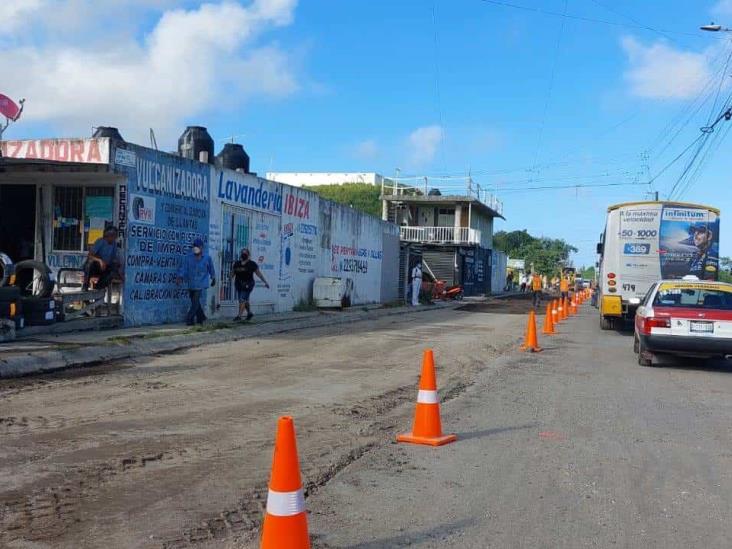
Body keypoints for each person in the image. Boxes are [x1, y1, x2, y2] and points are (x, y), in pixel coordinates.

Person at [177, 238, 216, 326]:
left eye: (197, 246)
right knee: (196, 302)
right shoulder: (188, 257)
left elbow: (211, 269)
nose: (195, 248)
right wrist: (180, 276)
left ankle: (189, 319)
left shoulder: (207, 258)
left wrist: (213, 278)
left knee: (195, 303)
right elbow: (184, 268)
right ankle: (201, 317)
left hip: (200, 283)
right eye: (194, 246)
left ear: (201, 247)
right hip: (191, 283)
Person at [231, 248, 269, 321]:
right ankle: (249, 313)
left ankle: (239, 316)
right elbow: (233, 273)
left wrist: (265, 282)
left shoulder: (252, 264)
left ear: (248, 255)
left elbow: (259, 274)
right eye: (242, 253)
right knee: (244, 300)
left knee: (242, 299)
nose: (243, 254)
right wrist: (229, 277)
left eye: (245, 253)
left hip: (248, 284)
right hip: (239, 284)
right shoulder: (236, 263)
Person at [83, 226, 123, 290]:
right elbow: (90, 255)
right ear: (108, 235)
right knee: (89, 264)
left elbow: (113, 258)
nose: (114, 238)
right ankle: (85, 286)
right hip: (96, 266)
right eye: (113, 236)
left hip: (105, 268)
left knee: (113, 269)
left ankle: (98, 287)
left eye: (115, 236)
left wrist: (117, 264)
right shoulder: (100, 241)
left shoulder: (114, 244)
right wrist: (100, 261)